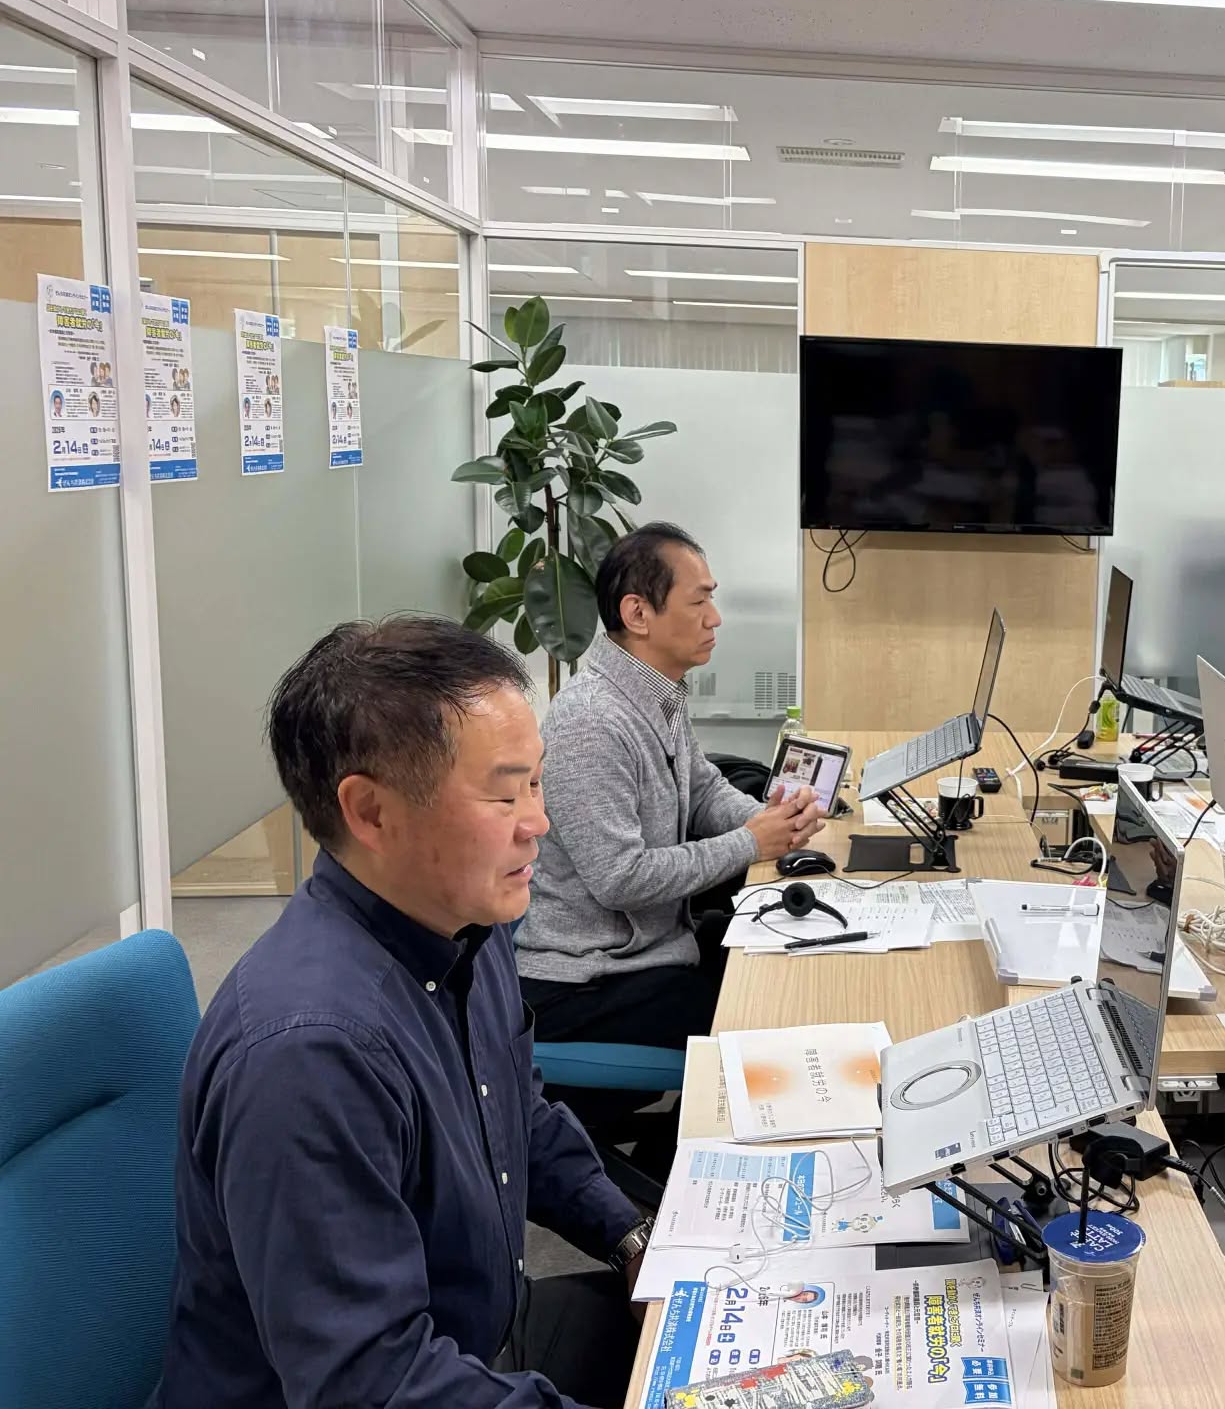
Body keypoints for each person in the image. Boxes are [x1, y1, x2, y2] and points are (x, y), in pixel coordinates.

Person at [152, 617, 650, 1409]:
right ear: (372, 812)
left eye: (536, 783)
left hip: (478, 1339)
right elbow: (369, 1382)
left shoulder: (464, 925)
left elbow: (516, 1115)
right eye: (504, 793)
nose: (538, 822)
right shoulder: (310, 1053)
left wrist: (632, 1238)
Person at [517, 523, 825, 1058]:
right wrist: (752, 842)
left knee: (789, 956)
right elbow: (621, 878)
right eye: (699, 601)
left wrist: (772, 818)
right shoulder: (591, 720)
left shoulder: (655, 692)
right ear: (638, 614)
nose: (715, 617)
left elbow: (702, 790)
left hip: (652, 953)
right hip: (587, 981)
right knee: (770, 1013)